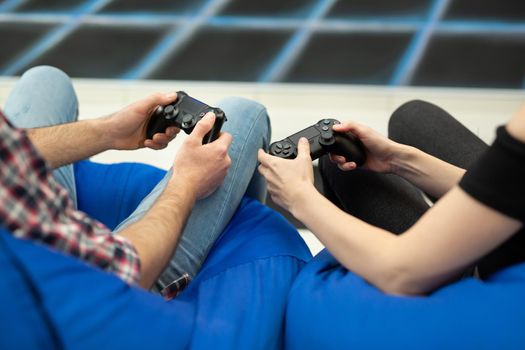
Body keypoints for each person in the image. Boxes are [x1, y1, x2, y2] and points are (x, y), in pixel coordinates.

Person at [1, 65, 271, 292]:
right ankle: (231, 270)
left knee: (45, 79)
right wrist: (186, 183)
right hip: (83, 298)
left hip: (28, 234)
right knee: (242, 113)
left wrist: (108, 131)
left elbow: (7, 151)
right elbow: (118, 272)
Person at [258, 100, 525, 295]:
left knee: (344, 172)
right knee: (413, 115)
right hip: (512, 234)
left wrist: (300, 198)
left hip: (491, 293)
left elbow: (400, 272)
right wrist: (400, 160)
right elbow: (507, 191)